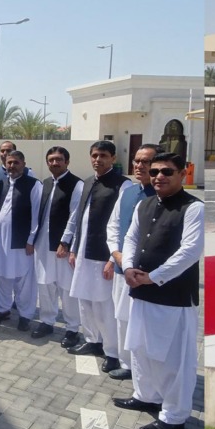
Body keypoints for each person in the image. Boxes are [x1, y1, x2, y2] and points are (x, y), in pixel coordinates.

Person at [114, 151, 203, 429]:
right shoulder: (145, 204)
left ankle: (174, 416)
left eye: (166, 171)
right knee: (139, 348)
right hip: (140, 291)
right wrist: (127, 267)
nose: (159, 177)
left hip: (172, 298)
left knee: (173, 361)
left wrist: (154, 277)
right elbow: (129, 238)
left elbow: (189, 251)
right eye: (154, 172)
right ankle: (146, 395)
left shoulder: (193, 208)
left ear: (183, 173)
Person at [61, 140, 133, 372]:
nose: (97, 159)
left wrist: (114, 259)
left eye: (103, 155)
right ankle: (93, 340)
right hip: (82, 251)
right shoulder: (87, 182)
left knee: (105, 306)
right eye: (94, 155)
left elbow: (123, 225)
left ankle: (111, 352)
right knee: (85, 300)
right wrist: (72, 247)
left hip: (104, 255)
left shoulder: (123, 185)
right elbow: (77, 215)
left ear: (113, 158)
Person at [106, 144, 159, 381]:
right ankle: (126, 363)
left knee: (142, 323)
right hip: (121, 267)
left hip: (145, 273)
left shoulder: (160, 195)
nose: (139, 165)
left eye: (145, 162)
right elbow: (114, 226)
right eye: (137, 161)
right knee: (122, 316)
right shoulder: (128, 192)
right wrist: (115, 256)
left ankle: (144, 368)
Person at [0, 149, 41, 330]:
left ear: (23, 164)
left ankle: (25, 316)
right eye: (9, 162)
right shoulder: (0, 184)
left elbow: (36, 215)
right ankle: (3, 310)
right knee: (0, 276)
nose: (12, 166)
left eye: (16, 162)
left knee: (23, 280)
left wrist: (31, 240)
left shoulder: (34, 185)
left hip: (21, 241)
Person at [32, 145, 82, 340]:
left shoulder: (76, 185)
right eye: (51, 160)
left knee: (66, 287)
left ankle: (72, 328)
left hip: (62, 245)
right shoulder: (44, 183)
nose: (55, 163)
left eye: (58, 159)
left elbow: (74, 215)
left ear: (67, 162)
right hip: (43, 243)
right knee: (44, 284)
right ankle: (47, 321)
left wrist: (65, 241)